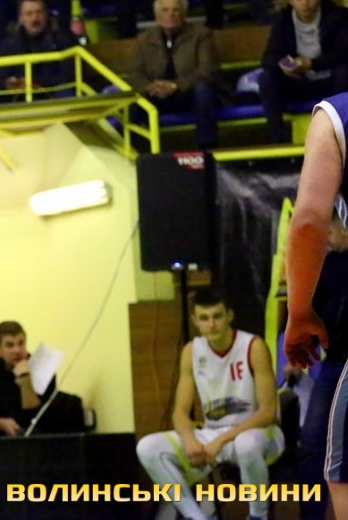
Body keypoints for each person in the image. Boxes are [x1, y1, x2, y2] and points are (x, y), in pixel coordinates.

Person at [137, 290, 284, 520]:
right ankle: (196, 516)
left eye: (217, 316)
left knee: (245, 444)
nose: (212, 324)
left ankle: (258, 516)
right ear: (194, 321)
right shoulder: (191, 351)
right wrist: (190, 440)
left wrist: (221, 440)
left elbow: (268, 412)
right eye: (204, 318)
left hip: (260, 433)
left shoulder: (253, 346)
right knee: (147, 447)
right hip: (214, 433)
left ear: (230, 315)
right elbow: (180, 412)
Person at [284, 92, 348, 520]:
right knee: (314, 446)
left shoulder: (335, 116)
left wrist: (298, 314)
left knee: (341, 473)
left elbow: (307, 220)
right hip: (335, 352)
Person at [292, 212, 348, 520]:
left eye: (331, 228)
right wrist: (303, 351)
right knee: (313, 442)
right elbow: (316, 316)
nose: (326, 235)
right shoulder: (328, 266)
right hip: (334, 365)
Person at [0, 321, 57, 520]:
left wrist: (25, 381)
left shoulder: (41, 367)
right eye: (10, 345)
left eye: (21, 343)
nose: (17, 350)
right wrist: (0, 423)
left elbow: (37, 415)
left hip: (33, 432)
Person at [257, 0, 348, 144]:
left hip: (329, 80)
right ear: (291, 0)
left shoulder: (338, 16)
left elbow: (344, 54)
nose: (305, 3)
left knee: (344, 72)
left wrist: (312, 64)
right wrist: (285, 65)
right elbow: (268, 58)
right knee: (266, 78)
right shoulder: (282, 21)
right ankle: (277, 139)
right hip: (298, 81)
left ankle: (342, 135)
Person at [128, 0, 222, 149]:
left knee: (204, 90)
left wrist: (175, 86)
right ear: (157, 15)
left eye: (176, 10)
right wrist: (150, 87)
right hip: (156, 95)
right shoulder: (143, 39)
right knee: (132, 99)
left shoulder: (201, 34)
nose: (170, 14)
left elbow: (208, 70)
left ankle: (207, 148)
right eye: (165, 10)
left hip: (188, 94)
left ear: (184, 14)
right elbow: (135, 74)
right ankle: (134, 151)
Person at [0, 0, 79, 96]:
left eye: (39, 12)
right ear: (20, 18)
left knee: (67, 92)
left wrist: (33, 82)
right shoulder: (10, 43)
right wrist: (8, 83)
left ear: (46, 14)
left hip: (53, 95)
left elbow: (70, 76)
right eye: (29, 14)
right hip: (21, 97)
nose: (35, 19)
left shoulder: (64, 38)